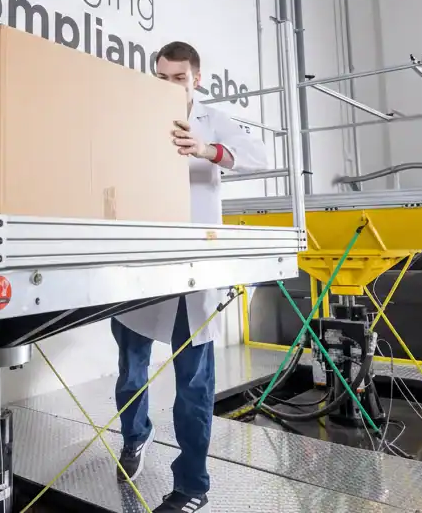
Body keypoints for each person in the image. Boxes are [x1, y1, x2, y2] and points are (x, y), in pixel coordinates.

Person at [110, 40, 269, 513]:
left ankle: (192, 486)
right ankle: (134, 437)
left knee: (193, 385)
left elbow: (258, 155)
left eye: (177, 78)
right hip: (142, 262)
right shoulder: (138, 116)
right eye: (160, 77)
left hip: (193, 268)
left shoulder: (213, 118)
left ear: (196, 79)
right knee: (130, 368)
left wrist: (207, 149)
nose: (168, 86)